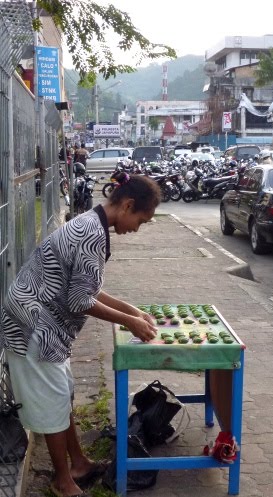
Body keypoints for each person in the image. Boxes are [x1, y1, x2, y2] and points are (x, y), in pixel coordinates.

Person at [0, 174, 161, 497]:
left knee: (62, 396)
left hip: (45, 325)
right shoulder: (92, 235)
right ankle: (63, 481)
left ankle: (79, 464)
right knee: (52, 402)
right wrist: (129, 323)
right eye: (140, 221)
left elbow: (87, 288)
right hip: (33, 326)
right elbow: (80, 301)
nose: (136, 228)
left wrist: (130, 310)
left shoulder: (91, 224)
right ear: (127, 205)